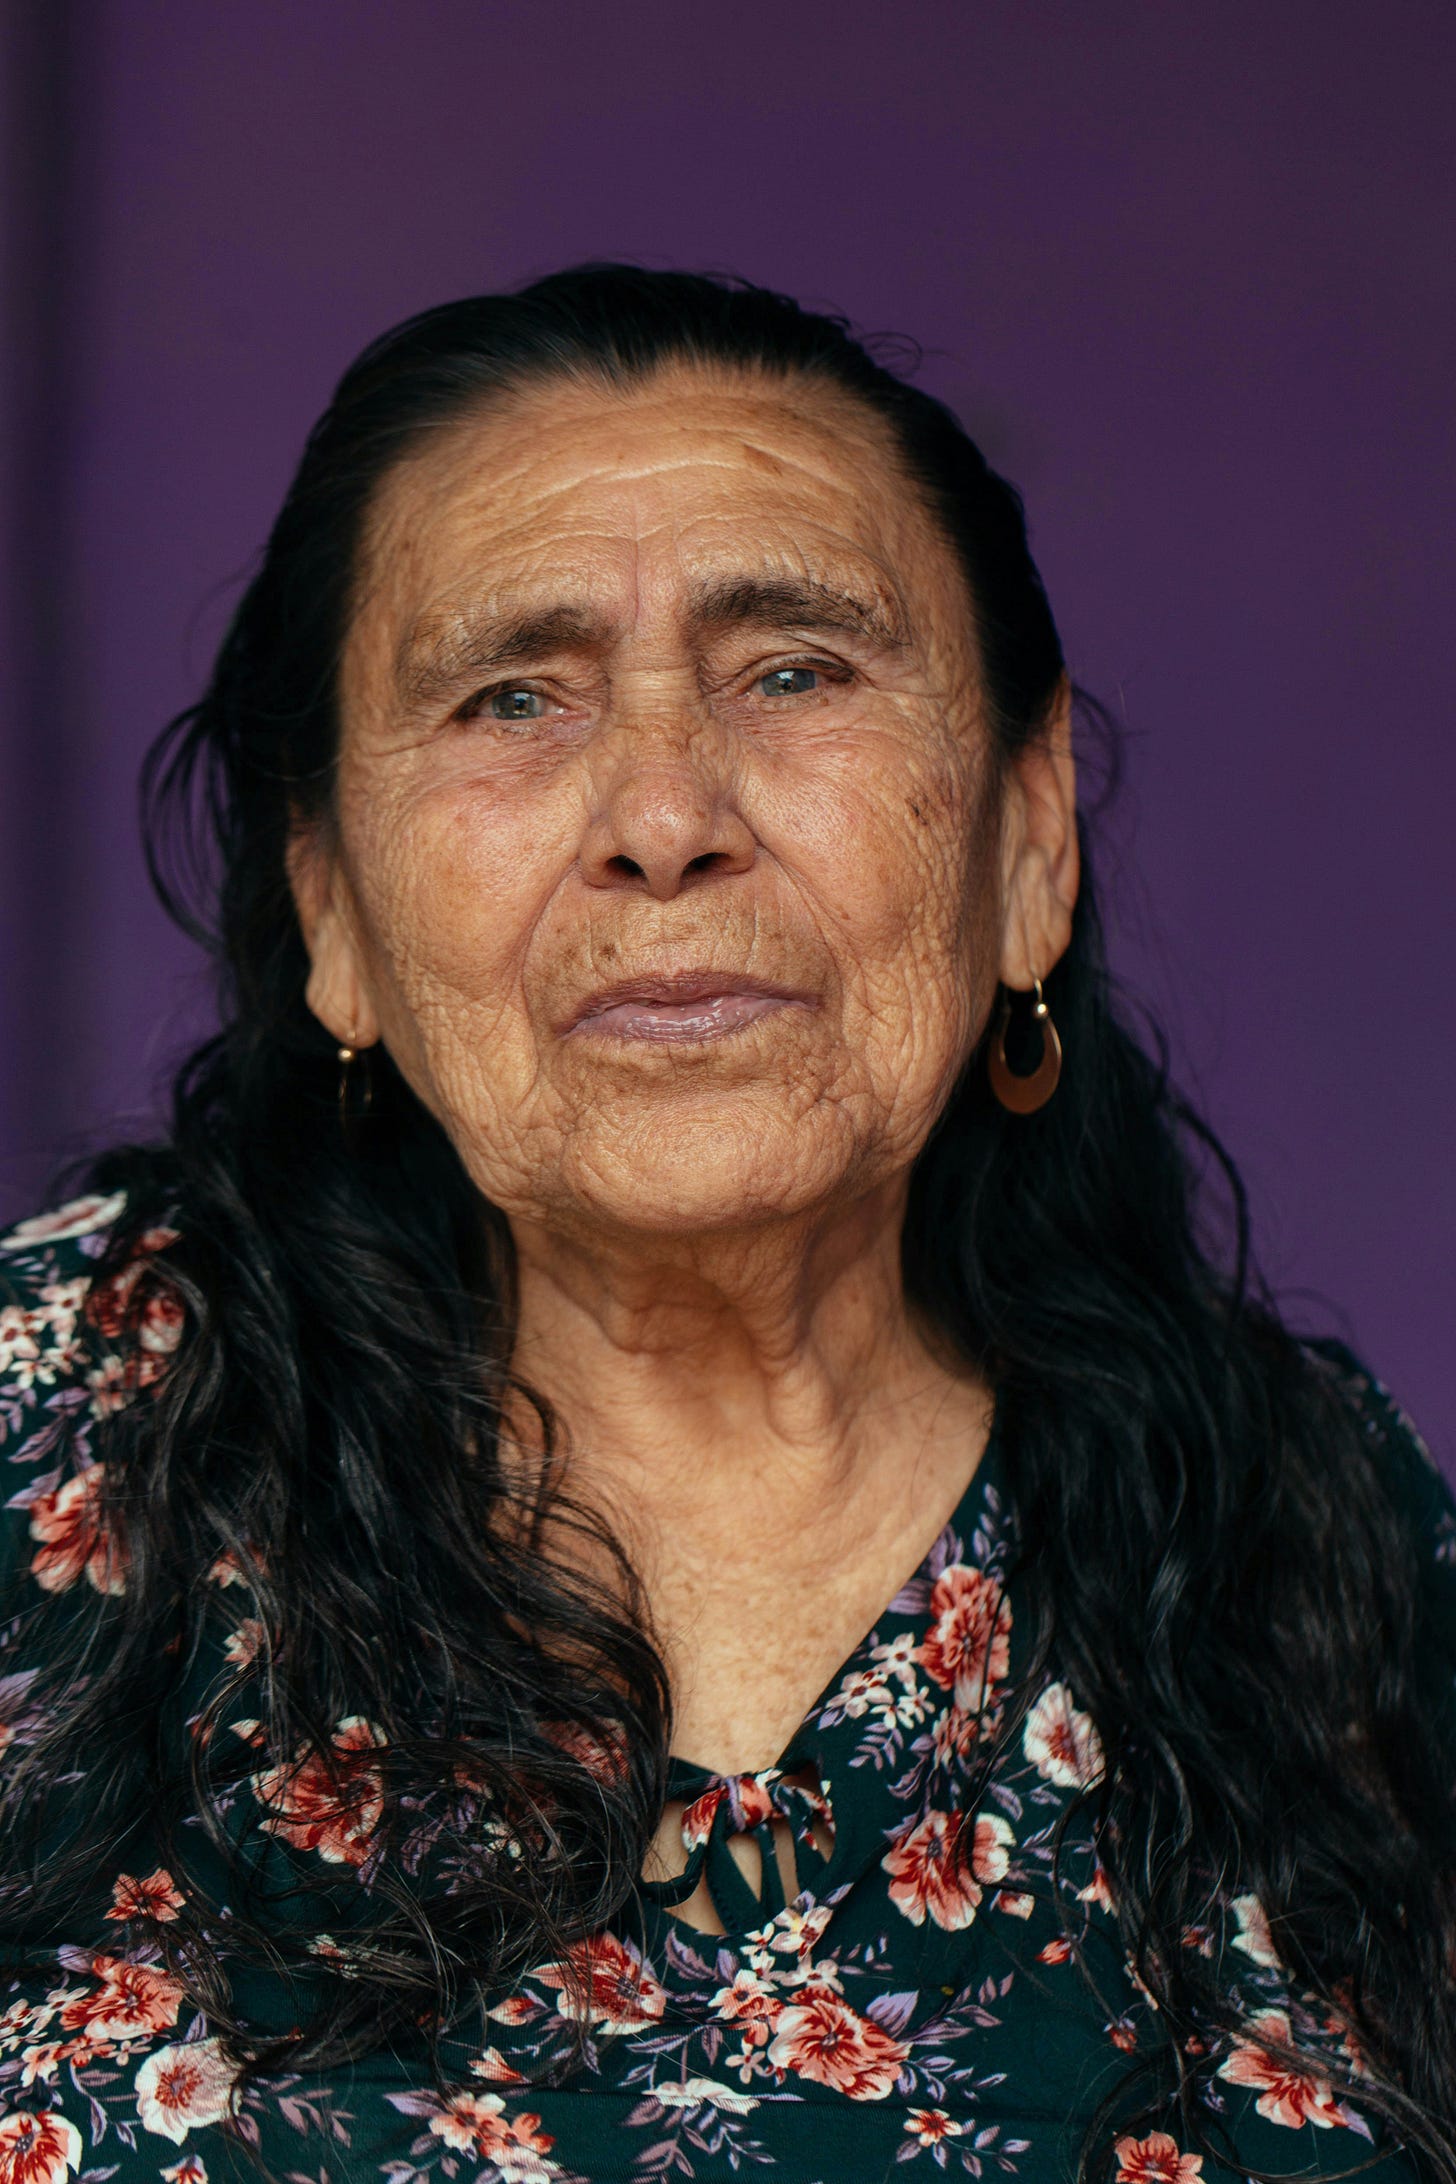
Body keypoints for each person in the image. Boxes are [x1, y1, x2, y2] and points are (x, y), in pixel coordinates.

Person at [0, 265, 1451, 2184]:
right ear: (331, 907)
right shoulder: (56, 1440)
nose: (666, 814)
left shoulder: (1303, 1531)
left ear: (1031, 842)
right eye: (513, 698)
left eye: (795, 671)